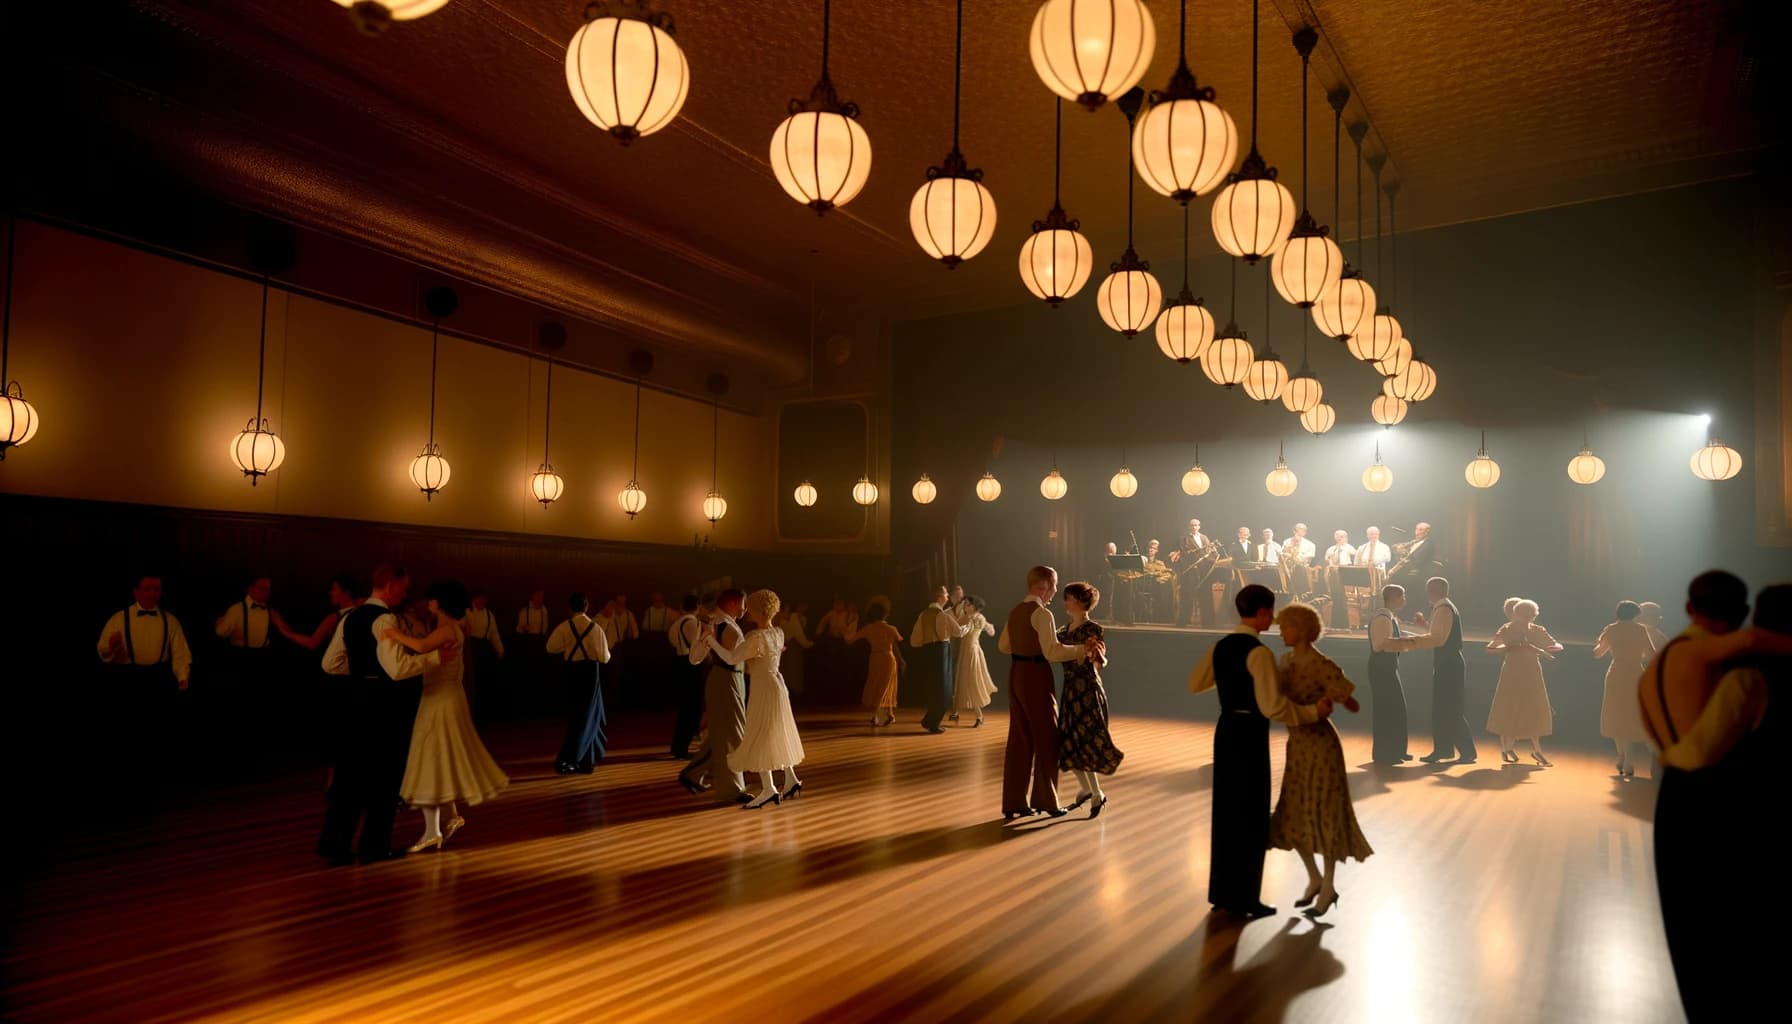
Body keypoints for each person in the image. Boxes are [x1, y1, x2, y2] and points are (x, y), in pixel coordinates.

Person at [1641, 572, 1792, 1023]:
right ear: (1742, 615)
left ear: (1690, 608)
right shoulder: (1735, 665)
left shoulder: (1664, 663)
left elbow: (1688, 749)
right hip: (1721, 801)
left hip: (1682, 799)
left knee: (1694, 935)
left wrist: (1668, 757)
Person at [1190, 584, 1332, 919]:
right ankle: (1245, 899)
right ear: (1264, 612)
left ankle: (1222, 894)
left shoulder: (1220, 646)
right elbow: (1272, 706)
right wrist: (1312, 713)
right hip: (1249, 733)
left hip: (1225, 729)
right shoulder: (1259, 653)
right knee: (1251, 815)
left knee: (1226, 812)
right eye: (1273, 613)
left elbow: (1196, 684)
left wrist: (1230, 678)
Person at [317, 565, 446, 866]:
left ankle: (334, 845)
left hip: (354, 703)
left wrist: (360, 676)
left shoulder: (350, 617)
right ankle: (373, 847)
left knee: (349, 776)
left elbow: (330, 663)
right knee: (385, 777)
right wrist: (434, 658)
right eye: (404, 587)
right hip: (383, 706)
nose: (406, 593)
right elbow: (397, 669)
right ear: (390, 585)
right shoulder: (385, 619)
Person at [379, 581, 508, 852]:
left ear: (440, 602)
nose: (428, 603)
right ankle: (448, 819)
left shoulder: (447, 630)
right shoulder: (453, 628)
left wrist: (393, 634)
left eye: (431, 599)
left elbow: (421, 646)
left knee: (429, 761)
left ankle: (433, 831)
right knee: (438, 759)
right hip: (443, 696)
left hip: (440, 700)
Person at [1268, 602, 1371, 918]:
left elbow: (1352, 703)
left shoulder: (1321, 664)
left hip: (1321, 747)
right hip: (1298, 745)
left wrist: (1335, 697)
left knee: (1324, 811)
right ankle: (1314, 878)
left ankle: (1328, 884)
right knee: (1294, 810)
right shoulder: (1285, 662)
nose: (1281, 632)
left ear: (1301, 629)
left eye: (1286, 626)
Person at [997, 565, 1101, 821]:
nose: (1055, 592)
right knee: (1047, 738)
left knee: (1019, 738)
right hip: (1035, 676)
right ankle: (1047, 801)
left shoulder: (1015, 610)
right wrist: (1081, 650)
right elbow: (1052, 652)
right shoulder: (1042, 614)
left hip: (1016, 675)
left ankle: (1014, 802)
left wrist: (1026, 644)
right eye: (1054, 586)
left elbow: (1003, 646)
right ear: (1043, 587)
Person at [703, 589, 804, 810]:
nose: (747, 611)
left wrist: (710, 640)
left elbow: (731, 658)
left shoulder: (755, 637)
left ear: (758, 610)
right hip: (777, 686)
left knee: (759, 734)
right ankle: (791, 780)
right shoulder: (778, 633)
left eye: (750, 607)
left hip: (764, 688)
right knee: (776, 731)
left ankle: (769, 788)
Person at [96, 574, 195, 772]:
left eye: (156, 588)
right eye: (148, 588)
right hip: (129, 682)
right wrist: (111, 647)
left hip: (158, 680)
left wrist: (182, 677)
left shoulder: (170, 620)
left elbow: (180, 652)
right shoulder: (119, 618)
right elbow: (102, 650)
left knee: (158, 731)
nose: (152, 593)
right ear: (136, 592)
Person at [678, 589, 749, 804]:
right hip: (725, 681)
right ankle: (732, 790)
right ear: (733, 603)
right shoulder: (718, 623)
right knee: (733, 735)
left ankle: (692, 774)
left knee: (722, 733)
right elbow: (695, 658)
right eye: (743, 604)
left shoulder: (721, 622)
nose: (745, 609)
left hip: (731, 679)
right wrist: (706, 639)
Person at [1057, 583, 1121, 817]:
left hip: (1087, 690)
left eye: (1069, 598)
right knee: (1068, 741)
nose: (1065, 602)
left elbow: (1099, 661)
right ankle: (1086, 789)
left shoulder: (1093, 629)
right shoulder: (1063, 630)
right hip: (1070, 690)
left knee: (1086, 740)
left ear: (1081, 601)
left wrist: (1096, 654)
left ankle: (1096, 793)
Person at [1405, 576, 1477, 764]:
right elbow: (1439, 634)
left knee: (1449, 708)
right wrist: (1424, 626)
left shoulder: (1444, 609)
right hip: (1448, 662)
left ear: (1432, 590)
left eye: (1428, 589)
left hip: (1449, 664)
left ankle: (1465, 751)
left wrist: (1410, 641)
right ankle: (1444, 749)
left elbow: (1438, 639)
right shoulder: (1444, 607)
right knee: (1444, 708)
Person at [1486, 599, 1563, 765]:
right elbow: (1490, 648)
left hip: (1531, 673)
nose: (1527, 619)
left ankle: (1536, 750)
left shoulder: (1537, 630)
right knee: (1510, 707)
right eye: (1524, 615)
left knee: (1533, 708)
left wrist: (1545, 649)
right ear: (1517, 614)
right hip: (1511, 674)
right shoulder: (1507, 629)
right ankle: (1508, 748)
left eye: (1531, 616)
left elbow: (1557, 645)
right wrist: (1511, 647)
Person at [544, 592, 610, 775]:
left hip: (572, 673)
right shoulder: (596, 628)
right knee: (588, 716)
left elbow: (550, 647)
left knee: (578, 715)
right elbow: (605, 658)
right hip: (590, 673)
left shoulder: (564, 627)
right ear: (587, 607)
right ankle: (571, 758)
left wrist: (568, 646)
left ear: (569, 609)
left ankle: (586, 759)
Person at [1593, 600, 1656, 776]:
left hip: (1616, 673)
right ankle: (1628, 759)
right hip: (1635, 672)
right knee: (1632, 713)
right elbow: (1651, 653)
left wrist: (1599, 641)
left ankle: (1622, 755)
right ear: (1635, 614)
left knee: (1616, 713)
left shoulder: (1611, 629)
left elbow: (1597, 654)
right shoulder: (1640, 629)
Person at [1367, 584, 1416, 765]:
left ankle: (1397, 750)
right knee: (1386, 710)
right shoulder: (1382, 618)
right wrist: (1407, 642)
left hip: (1388, 667)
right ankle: (1385, 753)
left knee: (1396, 709)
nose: (1404, 599)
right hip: (1381, 669)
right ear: (1394, 598)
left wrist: (1410, 639)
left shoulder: (1390, 617)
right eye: (1402, 596)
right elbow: (1379, 645)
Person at [911, 585, 970, 733]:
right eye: (945, 594)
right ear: (939, 596)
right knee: (944, 689)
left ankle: (930, 720)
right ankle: (932, 723)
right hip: (941, 652)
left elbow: (914, 641)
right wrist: (968, 626)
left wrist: (927, 642)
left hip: (928, 652)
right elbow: (958, 632)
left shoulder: (923, 615)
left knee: (933, 688)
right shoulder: (943, 615)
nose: (948, 596)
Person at [848, 604, 905, 727]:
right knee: (886, 685)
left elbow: (850, 639)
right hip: (888, 658)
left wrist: (852, 622)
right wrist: (900, 659)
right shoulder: (891, 629)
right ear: (885, 614)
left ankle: (889, 714)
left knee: (878, 684)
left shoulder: (869, 628)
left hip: (875, 658)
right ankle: (878, 715)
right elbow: (894, 645)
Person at [668, 595, 706, 758]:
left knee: (687, 707)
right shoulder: (692, 622)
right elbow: (697, 646)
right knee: (691, 707)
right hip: (691, 665)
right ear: (698, 606)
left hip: (681, 663)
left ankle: (679, 745)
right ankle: (681, 747)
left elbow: (673, 642)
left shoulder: (676, 623)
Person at [459, 591, 504, 722]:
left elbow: (494, 634)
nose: (482, 601)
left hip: (483, 649)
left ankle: (483, 716)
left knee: (484, 682)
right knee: (471, 682)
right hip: (469, 649)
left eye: (484, 599)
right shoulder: (467, 613)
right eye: (480, 599)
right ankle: (470, 716)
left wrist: (500, 649)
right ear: (474, 599)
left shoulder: (489, 615)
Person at [952, 595, 998, 726]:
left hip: (972, 652)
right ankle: (956, 712)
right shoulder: (966, 617)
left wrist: (987, 627)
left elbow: (990, 631)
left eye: (968, 604)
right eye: (965, 604)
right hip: (966, 651)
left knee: (972, 681)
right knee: (962, 679)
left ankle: (979, 716)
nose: (965, 606)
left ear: (974, 607)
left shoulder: (977, 618)